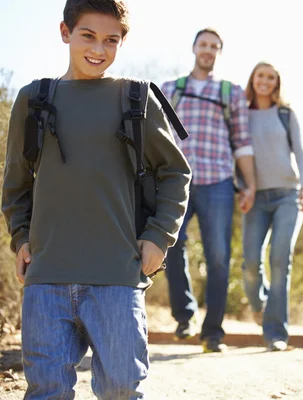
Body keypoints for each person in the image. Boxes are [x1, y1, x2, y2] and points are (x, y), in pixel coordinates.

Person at [1, 0, 192, 398]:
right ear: (65, 32)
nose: (99, 49)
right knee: (46, 390)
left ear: (123, 41)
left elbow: (175, 173)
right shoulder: (32, 100)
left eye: (111, 40)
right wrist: (20, 237)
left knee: (123, 388)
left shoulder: (136, 100)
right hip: (47, 275)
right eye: (88, 35)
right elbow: (16, 184)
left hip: (117, 276)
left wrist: (159, 237)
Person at [161, 28, 256, 352]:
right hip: (176, 180)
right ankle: (185, 317)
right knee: (171, 246)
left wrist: (250, 184)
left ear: (219, 52)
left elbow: (242, 142)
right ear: (193, 48)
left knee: (219, 258)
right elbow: (157, 139)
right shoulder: (170, 89)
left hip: (217, 181)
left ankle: (212, 333)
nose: (208, 50)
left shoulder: (231, 92)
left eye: (214, 46)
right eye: (203, 44)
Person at [241, 62, 303, 351]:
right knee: (249, 263)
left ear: (276, 82)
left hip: (287, 195)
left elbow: (302, 153)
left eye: (271, 77)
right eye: (261, 76)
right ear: (253, 79)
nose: (265, 81)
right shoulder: (241, 115)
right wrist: (241, 187)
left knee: (280, 261)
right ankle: (260, 306)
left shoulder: (287, 113)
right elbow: (237, 153)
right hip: (255, 198)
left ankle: (276, 333)